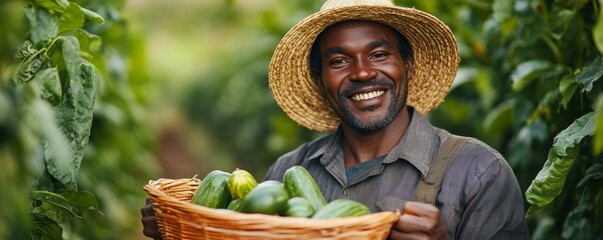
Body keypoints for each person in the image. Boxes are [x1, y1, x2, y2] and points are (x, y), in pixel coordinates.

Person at [142, 0, 530, 239]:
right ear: (321, 80)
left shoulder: (479, 173)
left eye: (379, 54)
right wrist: (185, 232)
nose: (362, 73)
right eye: (339, 60)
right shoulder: (289, 170)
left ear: (407, 66)